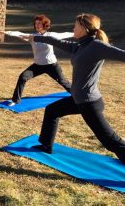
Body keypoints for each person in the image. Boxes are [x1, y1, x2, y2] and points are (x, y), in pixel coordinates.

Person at [23, 13, 125, 162]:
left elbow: (122, 55)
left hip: (89, 103)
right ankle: (46, 145)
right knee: (52, 110)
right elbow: (55, 41)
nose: (73, 28)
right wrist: (35, 37)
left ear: (83, 28)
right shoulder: (79, 46)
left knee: (111, 141)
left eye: (76, 25)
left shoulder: (97, 46)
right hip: (78, 99)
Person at [4, 15, 72, 106]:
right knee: (23, 77)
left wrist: (80, 33)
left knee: (63, 82)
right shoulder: (32, 37)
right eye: (36, 23)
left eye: (39, 23)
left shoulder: (51, 35)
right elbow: (19, 33)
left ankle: (77, 95)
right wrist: (6, 32)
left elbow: (65, 34)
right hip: (37, 66)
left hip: (52, 65)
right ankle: (15, 100)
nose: (37, 25)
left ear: (45, 25)